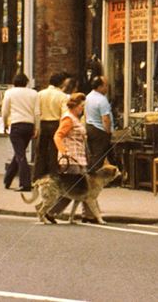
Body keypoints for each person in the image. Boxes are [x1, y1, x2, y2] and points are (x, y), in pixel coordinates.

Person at [46, 91, 88, 223]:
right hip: (71, 159)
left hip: (79, 158)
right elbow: (57, 136)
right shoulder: (68, 119)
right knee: (71, 190)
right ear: (75, 106)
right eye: (81, 106)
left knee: (80, 189)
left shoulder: (75, 119)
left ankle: (88, 214)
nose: (82, 108)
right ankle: (51, 211)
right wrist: (64, 152)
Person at [1, 72, 40, 192]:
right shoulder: (34, 93)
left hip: (16, 125)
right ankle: (7, 180)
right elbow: (37, 112)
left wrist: (4, 123)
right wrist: (37, 127)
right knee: (19, 153)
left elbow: (5, 110)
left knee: (20, 155)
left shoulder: (10, 93)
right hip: (29, 125)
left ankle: (25, 183)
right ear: (26, 82)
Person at [33, 71, 70, 180]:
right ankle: (53, 177)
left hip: (43, 123)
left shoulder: (40, 94)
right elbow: (65, 113)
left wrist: (37, 126)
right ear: (61, 83)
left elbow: (36, 111)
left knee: (41, 152)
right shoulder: (63, 96)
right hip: (56, 124)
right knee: (54, 152)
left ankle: (37, 177)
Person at [85, 76, 113, 173]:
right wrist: (108, 132)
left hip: (90, 126)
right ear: (99, 87)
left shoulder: (88, 97)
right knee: (99, 154)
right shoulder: (102, 100)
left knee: (93, 153)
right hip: (100, 129)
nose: (107, 88)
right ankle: (92, 175)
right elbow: (105, 118)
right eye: (106, 86)